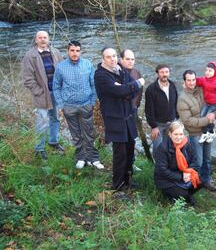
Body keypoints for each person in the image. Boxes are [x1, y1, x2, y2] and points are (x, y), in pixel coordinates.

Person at [94, 47, 145, 190]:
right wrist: (135, 84)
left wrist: (126, 89)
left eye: (114, 56)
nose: (113, 59)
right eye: (109, 57)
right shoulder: (101, 76)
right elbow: (123, 90)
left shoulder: (120, 70)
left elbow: (128, 92)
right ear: (103, 59)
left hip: (128, 118)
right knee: (120, 154)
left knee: (130, 151)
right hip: (115, 119)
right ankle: (118, 185)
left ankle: (128, 181)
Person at [53, 40, 103, 170]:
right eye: (72, 50)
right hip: (69, 106)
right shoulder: (61, 67)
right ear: (67, 51)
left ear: (80, 51)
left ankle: (93, 158)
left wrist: (92, 102)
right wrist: (61, 104)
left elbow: (93, 84)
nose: (75, 53)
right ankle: (81, 157)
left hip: (86, 104)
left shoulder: (87, 64)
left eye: (77, 50)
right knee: (76, 134)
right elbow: (56, 86)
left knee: (89, 133)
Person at [22, 30, 64, 160]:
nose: (42, 39)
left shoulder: (55, 52)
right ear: (36, 40)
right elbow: (27, 78)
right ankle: (39, 149)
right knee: (42, 121)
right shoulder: (30, 56)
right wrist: (38, 91)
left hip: (56, 92)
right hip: (42, 94)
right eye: (40, 37)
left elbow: (62, 70)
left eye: (45, 37)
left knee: (55, 118)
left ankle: (53, 142)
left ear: (48, 39)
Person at [177, 70, 216, 191]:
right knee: (198, 162)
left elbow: (215, 105)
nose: (191, 82)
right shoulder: (182, 99)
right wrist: (207, 120)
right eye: (188, 80)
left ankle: (206, 181)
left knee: (207, 159)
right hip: (195, 134)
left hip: (208, 132)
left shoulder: (202, 90)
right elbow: (187, 121)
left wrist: (215, 114)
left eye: (193, 80)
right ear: (184, 81)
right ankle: (193, 184)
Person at [154, 121, 201, 205]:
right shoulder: (163, 148)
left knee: (200, 180)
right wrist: (181, 176)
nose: (179, 137)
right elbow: (163, 171)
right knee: (183, 194)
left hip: (184, 174)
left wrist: (188, 173)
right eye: (175, 134)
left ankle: (186, 194)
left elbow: (195, 160)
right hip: (166, 180)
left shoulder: (187, 144)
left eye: (181, 134)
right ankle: (175, 195)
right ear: (170, 134)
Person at [145, 64, 178, 153]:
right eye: (162, 72)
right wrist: (153, 126)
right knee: (158, 148)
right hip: (158, 124)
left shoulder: (172, 85)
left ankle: (169, 166)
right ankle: (158, 166)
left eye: (166, 72)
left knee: (172, 147)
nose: (165, 74)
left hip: (172, 122)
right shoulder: (151, 89)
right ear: (157, 74)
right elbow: (149, 110)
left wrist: (176, 117)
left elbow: (176, 102)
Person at [195, 61, 216, 143]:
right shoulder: (204, 79)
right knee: (202, 115)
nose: (207, 72)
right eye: (206, 70)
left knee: (208, 117)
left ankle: (205, 133)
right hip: (207, 102)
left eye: (210, 71)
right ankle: (211, 132)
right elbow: (197, 81)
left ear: (215, 71)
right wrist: (189, 81)